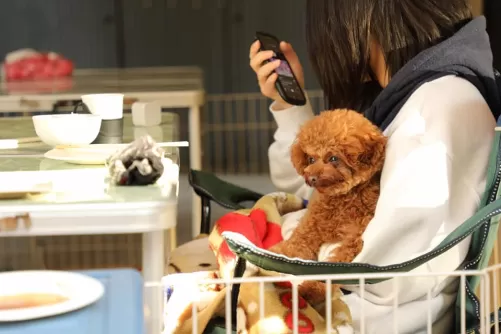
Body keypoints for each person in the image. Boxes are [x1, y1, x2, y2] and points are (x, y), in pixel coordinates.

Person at [249, 1, 500, 333]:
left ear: (354, 23)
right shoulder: (419, 94)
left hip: (371, 318)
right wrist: (288, 104)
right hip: (370, 307)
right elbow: (329, 190)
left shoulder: (431, 115)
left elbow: (383, 272)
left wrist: (295, 235)